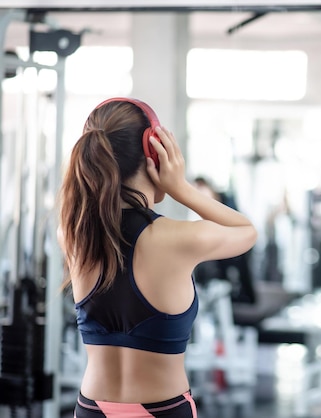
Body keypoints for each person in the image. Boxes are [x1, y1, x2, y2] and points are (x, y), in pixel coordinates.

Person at [56, 97, 257, 417]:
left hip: (91, 408)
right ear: (155, 154)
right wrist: (181, 187)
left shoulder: (73, 234)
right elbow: (246, 231)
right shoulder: (180, 238)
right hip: (163, 410)